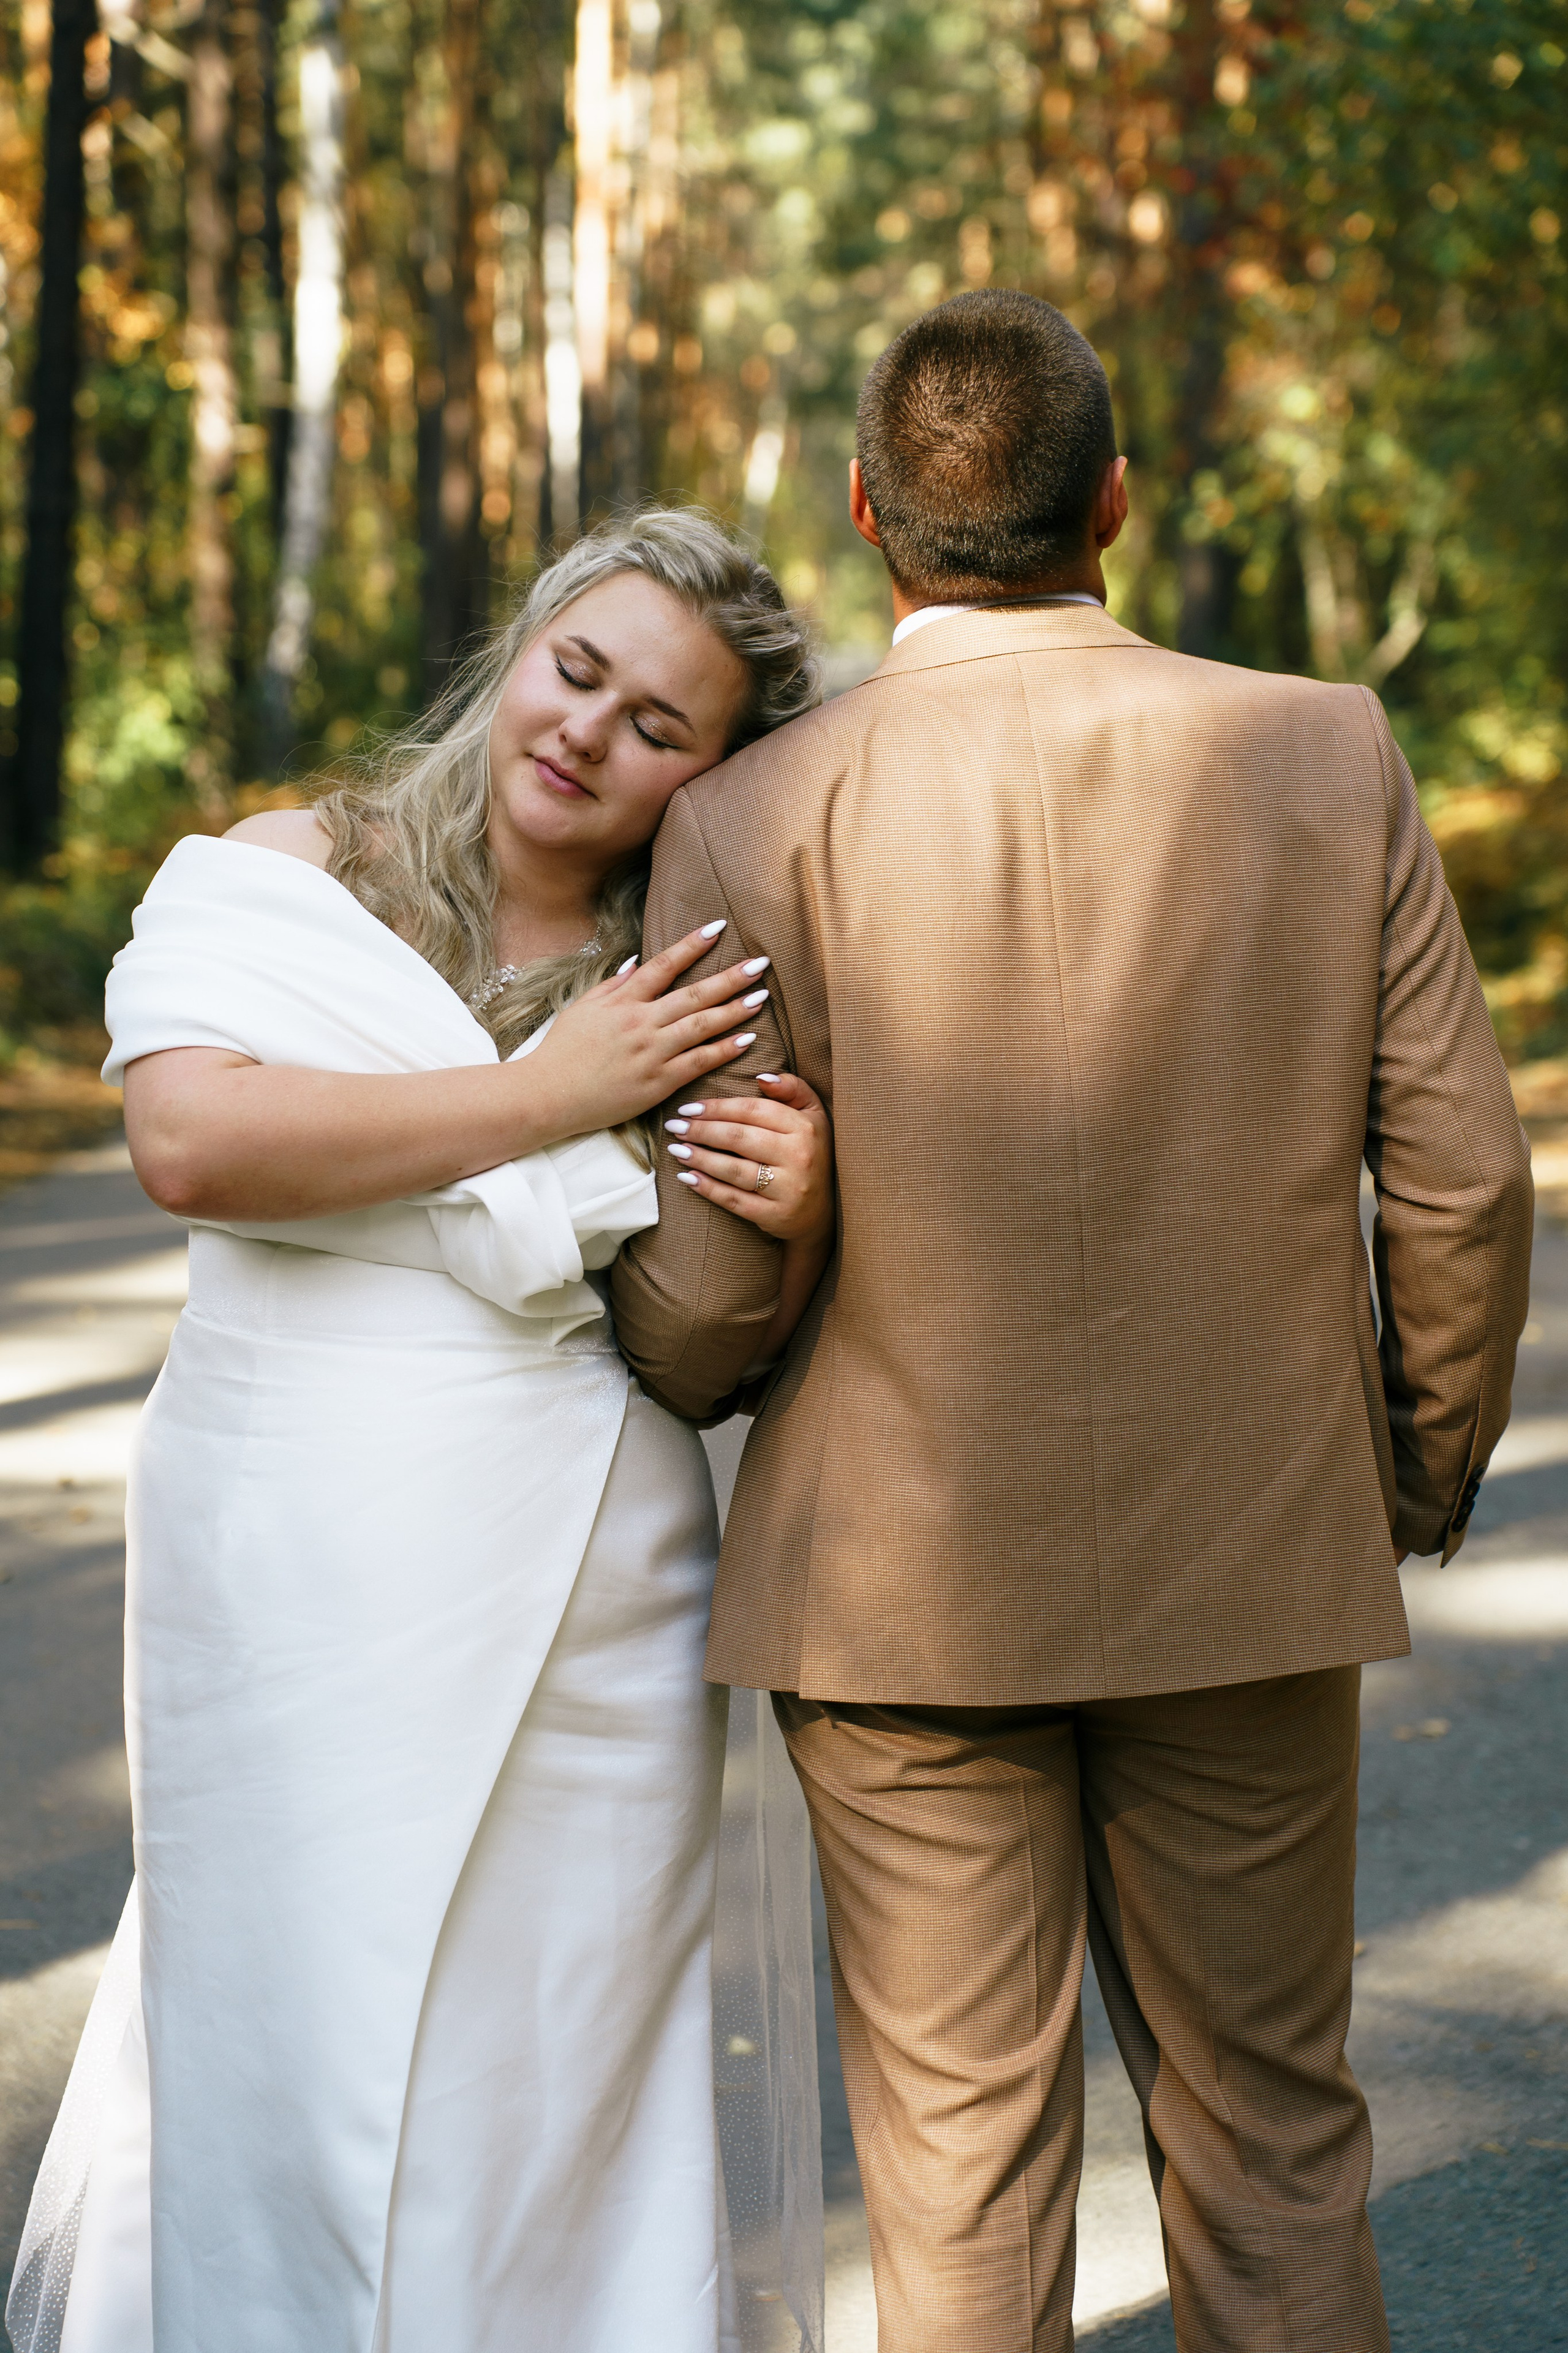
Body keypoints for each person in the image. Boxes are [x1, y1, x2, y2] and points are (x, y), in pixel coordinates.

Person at [611, 291, 1535, 2352]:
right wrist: (1402, 1465)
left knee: (959, 2187)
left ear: (866, 512)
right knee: (1277, 2143)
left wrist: (730, 1301)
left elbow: (694, 1309)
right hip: (1251, 1560)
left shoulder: (747, 821)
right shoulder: (1325, 750)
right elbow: (1463, 1178)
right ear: (1117, 497)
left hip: (895, 1597)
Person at [7, 510, 833, 2353]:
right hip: (280, 1545)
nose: (588, 732)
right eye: (579, 670)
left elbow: (711, 1347)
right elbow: (193, 1145)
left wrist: (794, 1210)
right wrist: (547, 1095)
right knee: (285, 2048)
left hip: (589, 1592)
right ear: (522, 645)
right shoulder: (288, 865)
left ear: (712, 773)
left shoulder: (692, 969)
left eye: (658, 727)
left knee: (549, 2089)